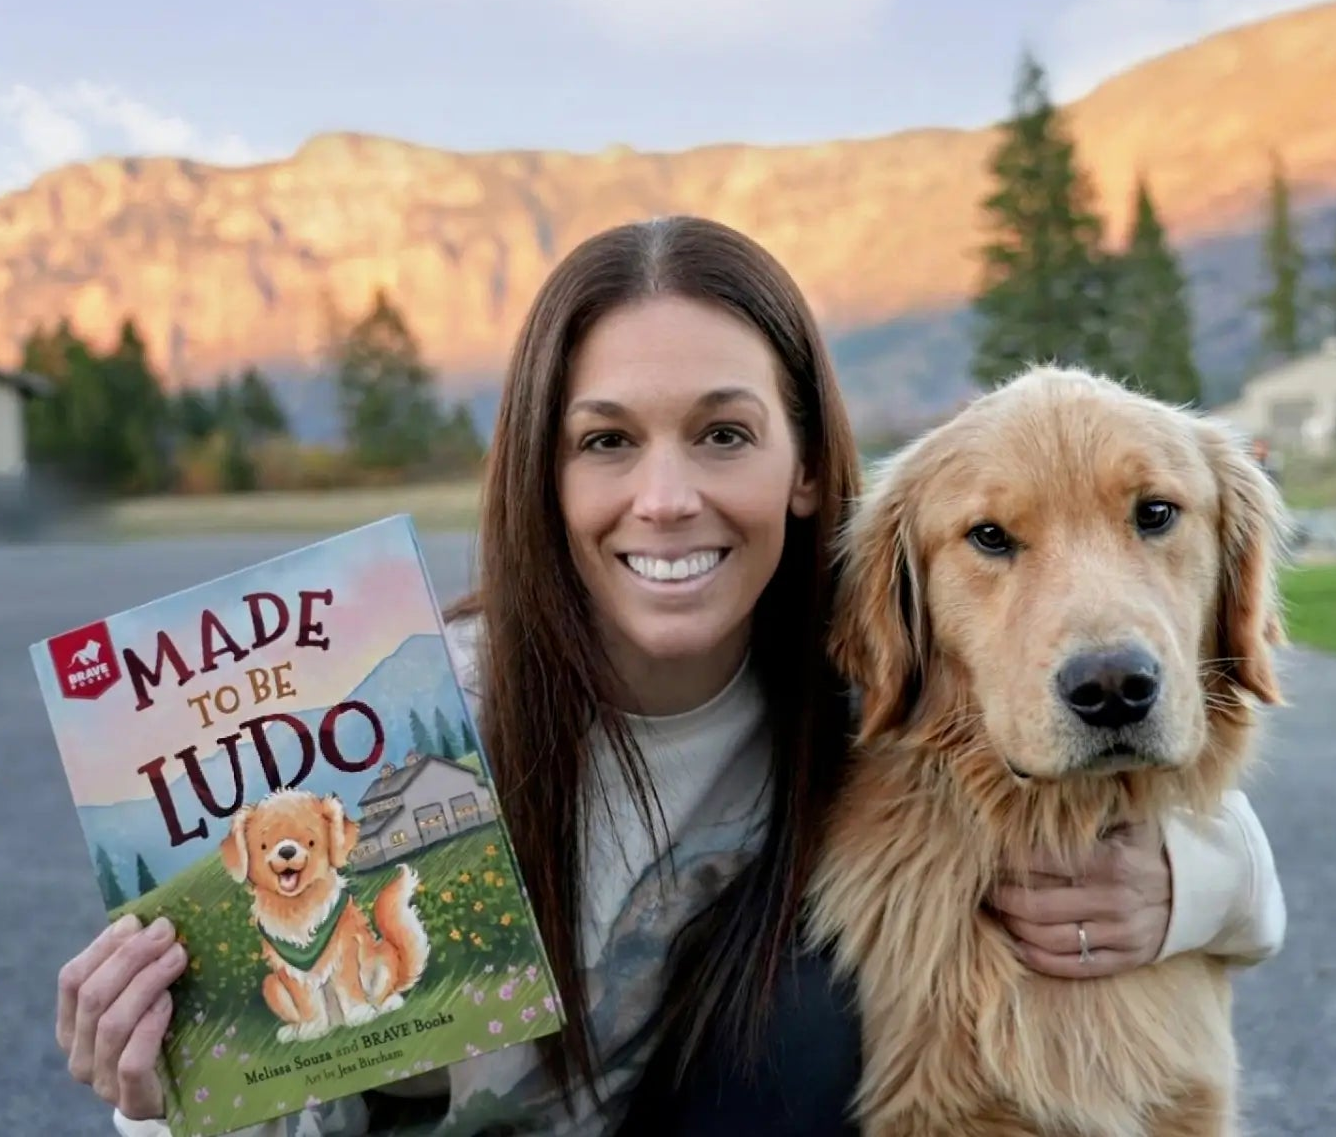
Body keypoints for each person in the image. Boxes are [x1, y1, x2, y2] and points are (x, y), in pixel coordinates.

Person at [55, 216, 1287, 1138]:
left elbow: (1143, 764)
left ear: (807, 466)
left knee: (809, 1008)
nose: (664, 497)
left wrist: (1201, 880)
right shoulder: (393, 724)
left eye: (723, 433)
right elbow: (258, 1067)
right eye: (604, 441)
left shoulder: (867, 672)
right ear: (543, 476)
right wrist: (157, 1085)